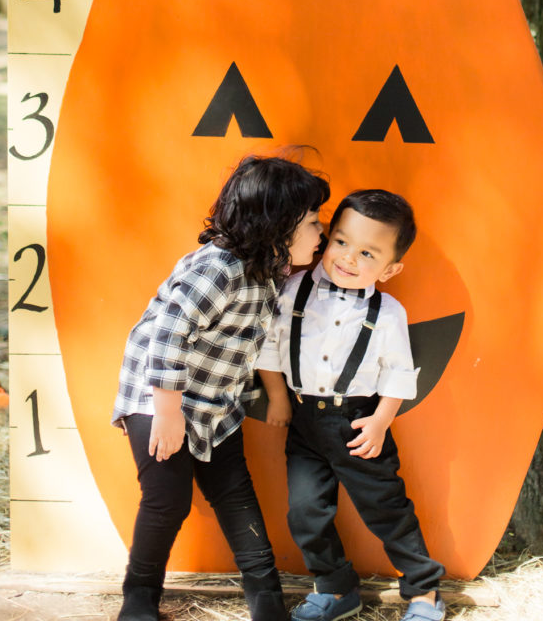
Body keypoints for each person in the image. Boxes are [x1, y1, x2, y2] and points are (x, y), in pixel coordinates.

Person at [112, 154, 330, 621]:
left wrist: (273, 395)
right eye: (313, 223)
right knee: (167, 501)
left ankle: (267, 599)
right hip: (159, 397)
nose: (321, 234)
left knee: (235, 493)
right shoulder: (219, 269)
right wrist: (168, 414)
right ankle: (139, 596)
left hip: (216, 404)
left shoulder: (271, 273)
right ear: (278, 226)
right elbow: (168, 333)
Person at [258, 189, 446, 621]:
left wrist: (381, 422)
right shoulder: (291, 290)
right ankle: (336, 586)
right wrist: (277, 397)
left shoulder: (389, 313)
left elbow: (398, 373)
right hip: (304, 421)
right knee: (306, 511)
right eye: (341, 242)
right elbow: (269, 346)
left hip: (359, 422)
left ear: (391, 268)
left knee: (386, 509)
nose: (347, 258)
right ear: (327, 238)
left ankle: (424, 591)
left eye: (367, 253)